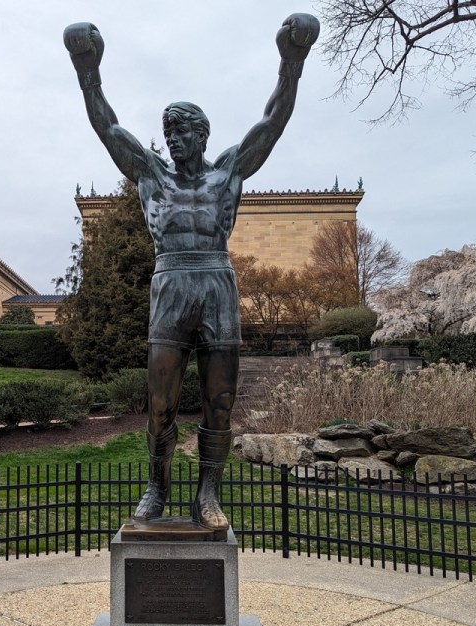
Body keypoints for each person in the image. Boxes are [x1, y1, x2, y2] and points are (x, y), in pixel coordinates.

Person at [64, 14, 318, 530]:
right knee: (160, 404)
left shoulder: (229, 172)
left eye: (181, 131)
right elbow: (107, 127)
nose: (172, 139)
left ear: (202, 135)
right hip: (171, 285)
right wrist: (87, 69)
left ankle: (208, 494)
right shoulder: (150, 174)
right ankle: (157, 488)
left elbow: (272, 123)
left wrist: (291, 61)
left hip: (217, 285)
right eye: (168, 132)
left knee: (219, 402)